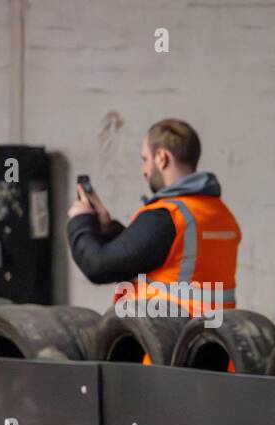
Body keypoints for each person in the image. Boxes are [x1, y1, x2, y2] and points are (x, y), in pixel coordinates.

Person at [66, 118, 239, 319]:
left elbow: (98, 266)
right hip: (210, 343)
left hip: (164, 344)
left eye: (145, 160)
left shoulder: (167, 217)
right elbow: (156, 256)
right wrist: (110, 228)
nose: (144, 171)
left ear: (161, 158)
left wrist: (80, 221)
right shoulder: (219, 213)